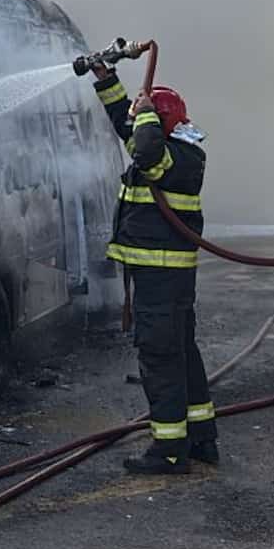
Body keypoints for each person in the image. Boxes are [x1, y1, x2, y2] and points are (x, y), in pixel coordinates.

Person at [90, 59, 216, 474]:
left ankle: (169, 451)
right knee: (181, 352)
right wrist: (108, 82)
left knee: (160, 358)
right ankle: (200, 439)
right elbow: (133, 133)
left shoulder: (175, 158)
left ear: (157, 122)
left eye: (146, 119)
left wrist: (144, 114)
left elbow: (144, 149)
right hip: (166, 278)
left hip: (161, 279)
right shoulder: (171, 147)